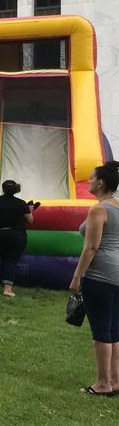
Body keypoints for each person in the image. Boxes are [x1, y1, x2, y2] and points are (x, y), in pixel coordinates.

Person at [72, 161, 119, 396]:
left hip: (100, 275)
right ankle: (115, 381)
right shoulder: (118, 207)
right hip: (117, 273)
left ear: (100, 183)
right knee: (114, 331)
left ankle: (102, 384)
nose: (88, 181)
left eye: (91, 178)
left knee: (101, 332)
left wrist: (76, 276)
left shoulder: (98, 210)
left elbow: (91, 247)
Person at [0, 180, 36, 297]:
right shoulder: (21, 203)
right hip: (17, 235)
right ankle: (8, 289)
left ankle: (4, 282)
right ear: (15, 190)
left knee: (5, 259)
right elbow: (30, 220)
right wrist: (30, 210)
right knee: (11, 260)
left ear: (2, 189)